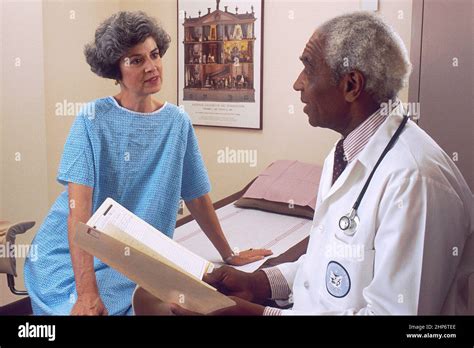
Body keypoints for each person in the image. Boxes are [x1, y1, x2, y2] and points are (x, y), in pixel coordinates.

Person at [171, 12, 474, 316]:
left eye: (308, 68)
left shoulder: (416, 181)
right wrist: (259, 284)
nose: (297, 84)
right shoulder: (344, 153)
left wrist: (254, 314)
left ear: (351, 85)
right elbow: (325, 264)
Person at [24, 11, 271, 316]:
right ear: (116, 69)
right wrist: (87, 293)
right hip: (69, 258)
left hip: (134, 261)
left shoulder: (177, 123)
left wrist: (228, 254)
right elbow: (79, 214)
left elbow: (196, 196)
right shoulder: (92, 119)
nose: (152, 67)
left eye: (154, 55)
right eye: (136, 60)